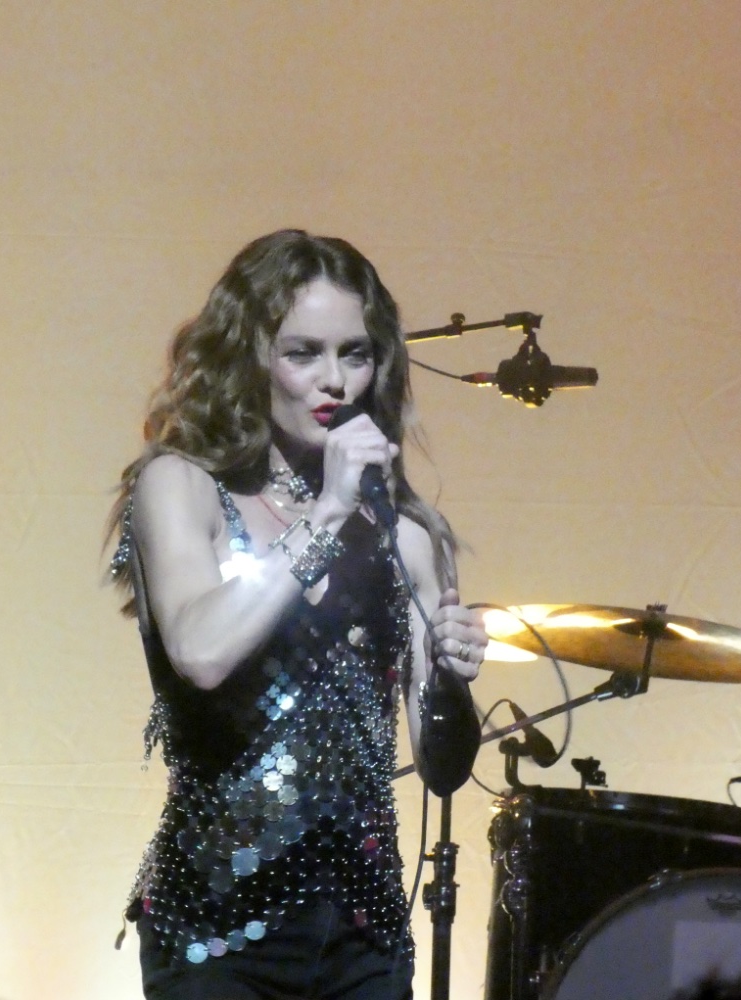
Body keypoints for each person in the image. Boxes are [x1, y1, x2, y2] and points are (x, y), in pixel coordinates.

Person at [108, 229, 488, 1000]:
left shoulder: (409, 536)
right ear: (251, 356)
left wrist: (451, 672)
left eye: (356, 354)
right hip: (216, 931)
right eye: (304, 353)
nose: (334, 380)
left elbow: (443, 768)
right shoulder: (181, 485)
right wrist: (330, 512)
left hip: (364, 939)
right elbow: (201, 651)